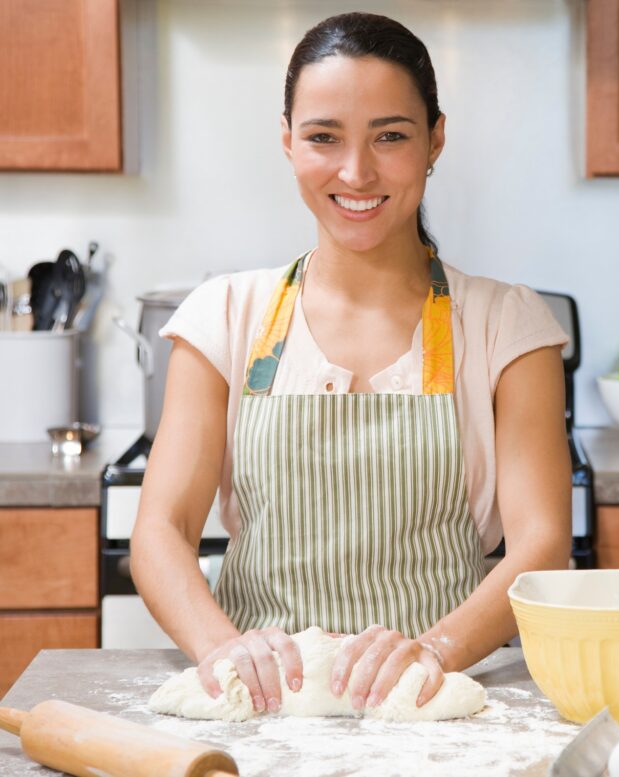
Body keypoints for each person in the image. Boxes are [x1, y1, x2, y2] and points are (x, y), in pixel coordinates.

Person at [131, 12, 570, 716]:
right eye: (323, 137)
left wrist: (435, 649)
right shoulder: (225, 317)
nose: (356, 172)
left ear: (436, 140)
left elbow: (542, 544)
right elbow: (160, 531)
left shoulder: (506, 326)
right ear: (287, 141)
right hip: (262, 709)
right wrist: (222, 649)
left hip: (440, 706)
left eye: (390, 136)